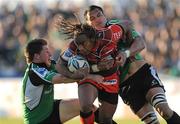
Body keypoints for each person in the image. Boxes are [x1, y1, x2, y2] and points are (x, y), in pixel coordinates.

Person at [84, 5, 180, 124]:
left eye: (99, 15)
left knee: (163, 109)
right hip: (125, 86)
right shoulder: (90, 44)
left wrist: (126, 53)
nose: (97, 19)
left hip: (142, 73)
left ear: (105, 16)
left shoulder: (117, 26)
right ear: (88, 24)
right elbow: (87, 67)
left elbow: (140, 43)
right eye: (92, 18)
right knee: (151, 122)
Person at [55, 17, 126, 123]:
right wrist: (73, 76)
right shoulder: (74, 46)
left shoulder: (108, 35)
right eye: (78, 44)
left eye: (83, 44)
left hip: (110, 77)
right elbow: (59, 65)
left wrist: (124, 52)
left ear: (92, 39)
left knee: (105, 119)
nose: (80, 48)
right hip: (89, 76)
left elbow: (126, 26)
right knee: (85, 105)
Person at [22, 38, 104, 124]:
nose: (50, 54)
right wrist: (91, 77)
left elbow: (69, 72)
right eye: (46, 51)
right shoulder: (35, 71)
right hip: (38, 120)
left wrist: (97, 67)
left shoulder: (49, 64)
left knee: (86, 106)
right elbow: (63, 78)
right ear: (37, 56)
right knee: (84, 106)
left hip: (49, 110)